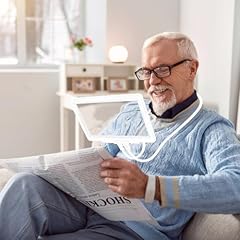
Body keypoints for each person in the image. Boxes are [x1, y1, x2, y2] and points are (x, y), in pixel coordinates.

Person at [0, 32, 240, 240]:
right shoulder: (131, 112)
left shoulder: (212, 129)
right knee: (24, 185)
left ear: (192, 68)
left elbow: (236, 186)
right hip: (92, 207)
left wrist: (150, 187)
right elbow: (98, 156)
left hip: (135, 231)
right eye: (146, 72)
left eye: (162, 69)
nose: (153, 81)